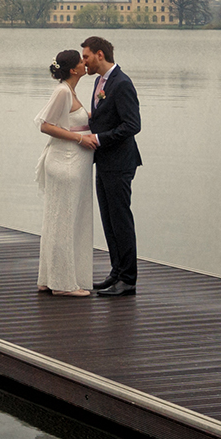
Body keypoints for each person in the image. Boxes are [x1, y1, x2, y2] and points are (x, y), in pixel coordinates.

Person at [76, 35, 142, 297]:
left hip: (120, 162)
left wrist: (99, 139)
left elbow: (132, 125)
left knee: (121, 220)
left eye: (86, 56)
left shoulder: (122, 83)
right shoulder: (99, 81)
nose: (84, 62)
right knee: (108, 220)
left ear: (100, 55)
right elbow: (104, 117)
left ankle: (128, 279)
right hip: (104, 162)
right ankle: (116, 272)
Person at [34, 49, 97, 294]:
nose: (85, 63)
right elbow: (46, 125)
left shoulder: (70, 91)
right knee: (64, 222)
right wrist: (80, 140)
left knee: (60, 220)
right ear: (73, 69)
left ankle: (48, 278)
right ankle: (61, 284)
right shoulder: (62, 91)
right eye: (82, 61)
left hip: (72, 163)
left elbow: (75, 121)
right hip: (66, 162)